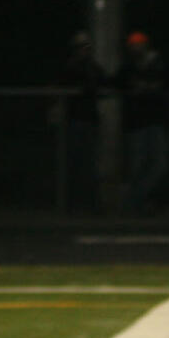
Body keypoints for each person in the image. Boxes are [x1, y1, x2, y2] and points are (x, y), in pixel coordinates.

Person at [118, 31, 169, 216]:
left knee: (160, 165)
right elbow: (119, 82)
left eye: (140, 44)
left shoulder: (158, 63)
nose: (137, 47)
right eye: (133, 44)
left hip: (156, 122)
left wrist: (151, 84)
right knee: (137, 166)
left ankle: (137, 200)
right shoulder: (128, 66)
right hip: (136, 125)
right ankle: (132, 204)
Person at [57, 30, 104, 213]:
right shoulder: (71, 66)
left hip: (90, 120)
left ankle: (92, 205)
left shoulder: (92, 66)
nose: (84, 50)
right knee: (76, 163)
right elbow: (67, 83)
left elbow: (102, 80)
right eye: (81, 46)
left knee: (91, 164)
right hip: (75, 120)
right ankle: (73, 205)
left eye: (87, 46)